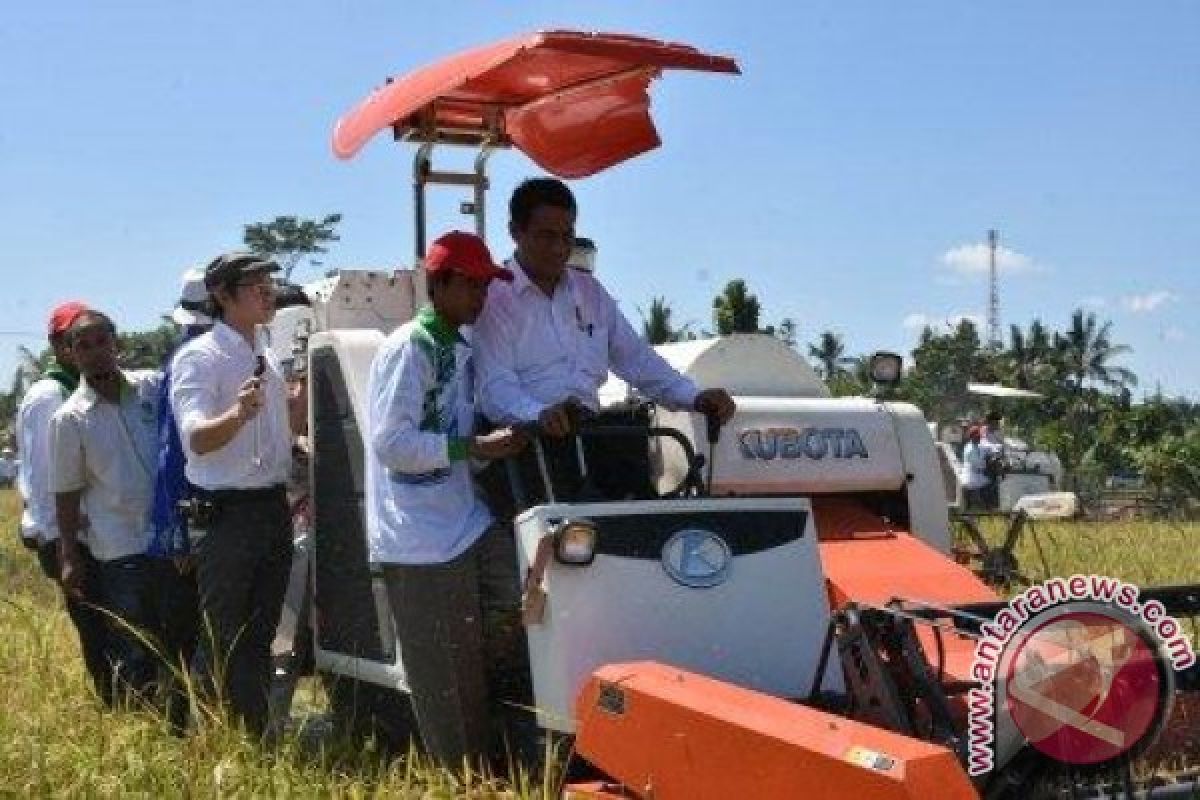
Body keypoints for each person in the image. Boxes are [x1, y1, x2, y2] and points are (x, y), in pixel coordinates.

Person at [472, 177, 737, 514]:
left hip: (591, 440)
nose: (559, 248)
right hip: (527, 448)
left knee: (648, 520)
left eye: (567, 236)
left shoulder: (590, 292)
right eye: (546, 236)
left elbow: (638, 360)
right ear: (515, 232)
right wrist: (538, 416)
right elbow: (496, 390)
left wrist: (694, 396)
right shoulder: (493, 298)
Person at [366, 231, 527, 771]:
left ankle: (494, 762)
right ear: (439, 284)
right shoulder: (409, 347)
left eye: (486, 286)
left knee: (514, 624)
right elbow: (391, 444)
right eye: (472, 285)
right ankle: (461, 779)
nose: (482, 297)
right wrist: (473, 446)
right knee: (447, 678)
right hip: (420, 540)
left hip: (464, 521)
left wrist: (486, 448)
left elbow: (455, 438)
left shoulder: (459, 348)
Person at [169, 252, 301, 738]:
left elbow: (280, 437)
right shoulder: (199, 357)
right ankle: (204, 743)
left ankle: (252, 738)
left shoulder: (265, 350)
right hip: (226, 516)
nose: (268, 291)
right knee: (224, 635)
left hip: (271, 508)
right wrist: (238, 415)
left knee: (262, 635)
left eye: (269, 282)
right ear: (222, 297)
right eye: (254, 285)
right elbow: (196, 438)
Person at [52, 310, 162, 703]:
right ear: (71, 354)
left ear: (117, 343)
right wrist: (69, 554)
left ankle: (183, 722)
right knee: (133, 641)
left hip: (167, 541)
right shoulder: (69, 420)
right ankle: (143, 723)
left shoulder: (151, 389)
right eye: (84, 346)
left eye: (102, 342)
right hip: (118, 547)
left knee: (177, 635)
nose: (96, 352)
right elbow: (65, 492)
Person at [15, 301, 113, 705]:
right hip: (67, 537)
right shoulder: (49, 397)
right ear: (58, 346)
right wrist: (65, 547)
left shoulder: (84, 388)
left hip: (90, 533)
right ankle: (116, 707)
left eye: (95, 339)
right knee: (97, 630)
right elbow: (44, 480)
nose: (84, 349)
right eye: (74, 340)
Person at [146, 267, 212, 734]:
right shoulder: (189, 362)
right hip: (194, 521)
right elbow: (173, 454)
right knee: (191, 634)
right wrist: (179, 537)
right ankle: (186, 727)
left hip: (199, 519)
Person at [960, 426, 990, 511]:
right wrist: (984, 464)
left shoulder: (978, 446)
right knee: (971, 494)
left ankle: (982, 509)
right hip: (970, 474)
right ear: (972, 437)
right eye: (977, 437)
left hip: (977, 474)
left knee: (984, 490)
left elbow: (986, 449)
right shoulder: (970, 448)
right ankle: (968, 510)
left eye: (979, 437)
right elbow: (977, 462)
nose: (979, 438)